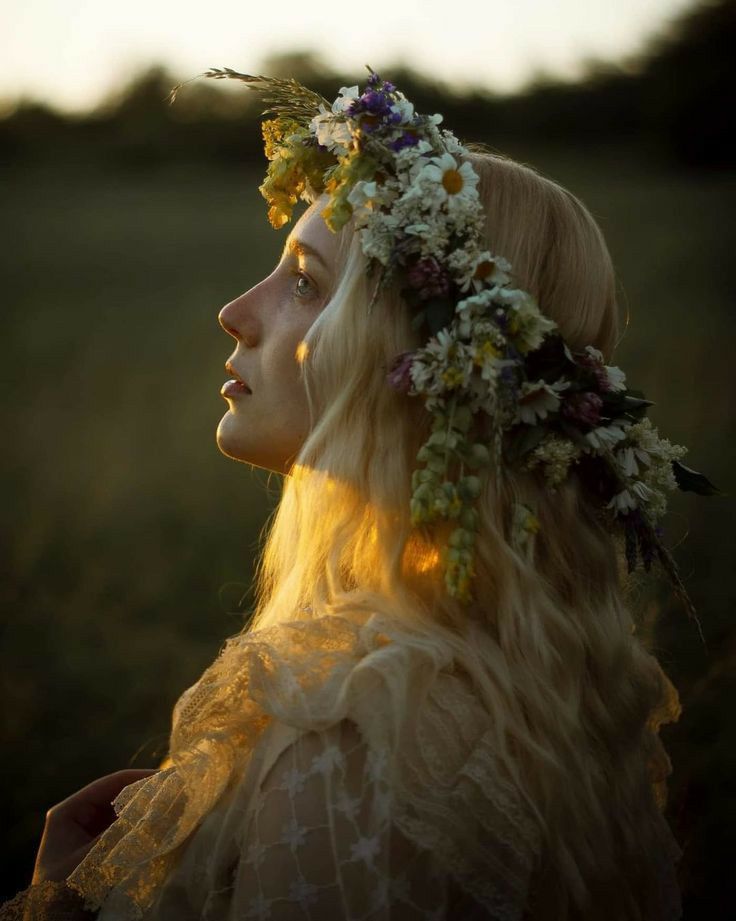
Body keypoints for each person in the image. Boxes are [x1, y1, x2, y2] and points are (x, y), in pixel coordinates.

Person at [3, 69, 717, 921]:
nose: (235, 312)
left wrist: (60, 906)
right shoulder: (533, 679)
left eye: (306, 282)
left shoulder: (358, 731)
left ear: (421, 367)